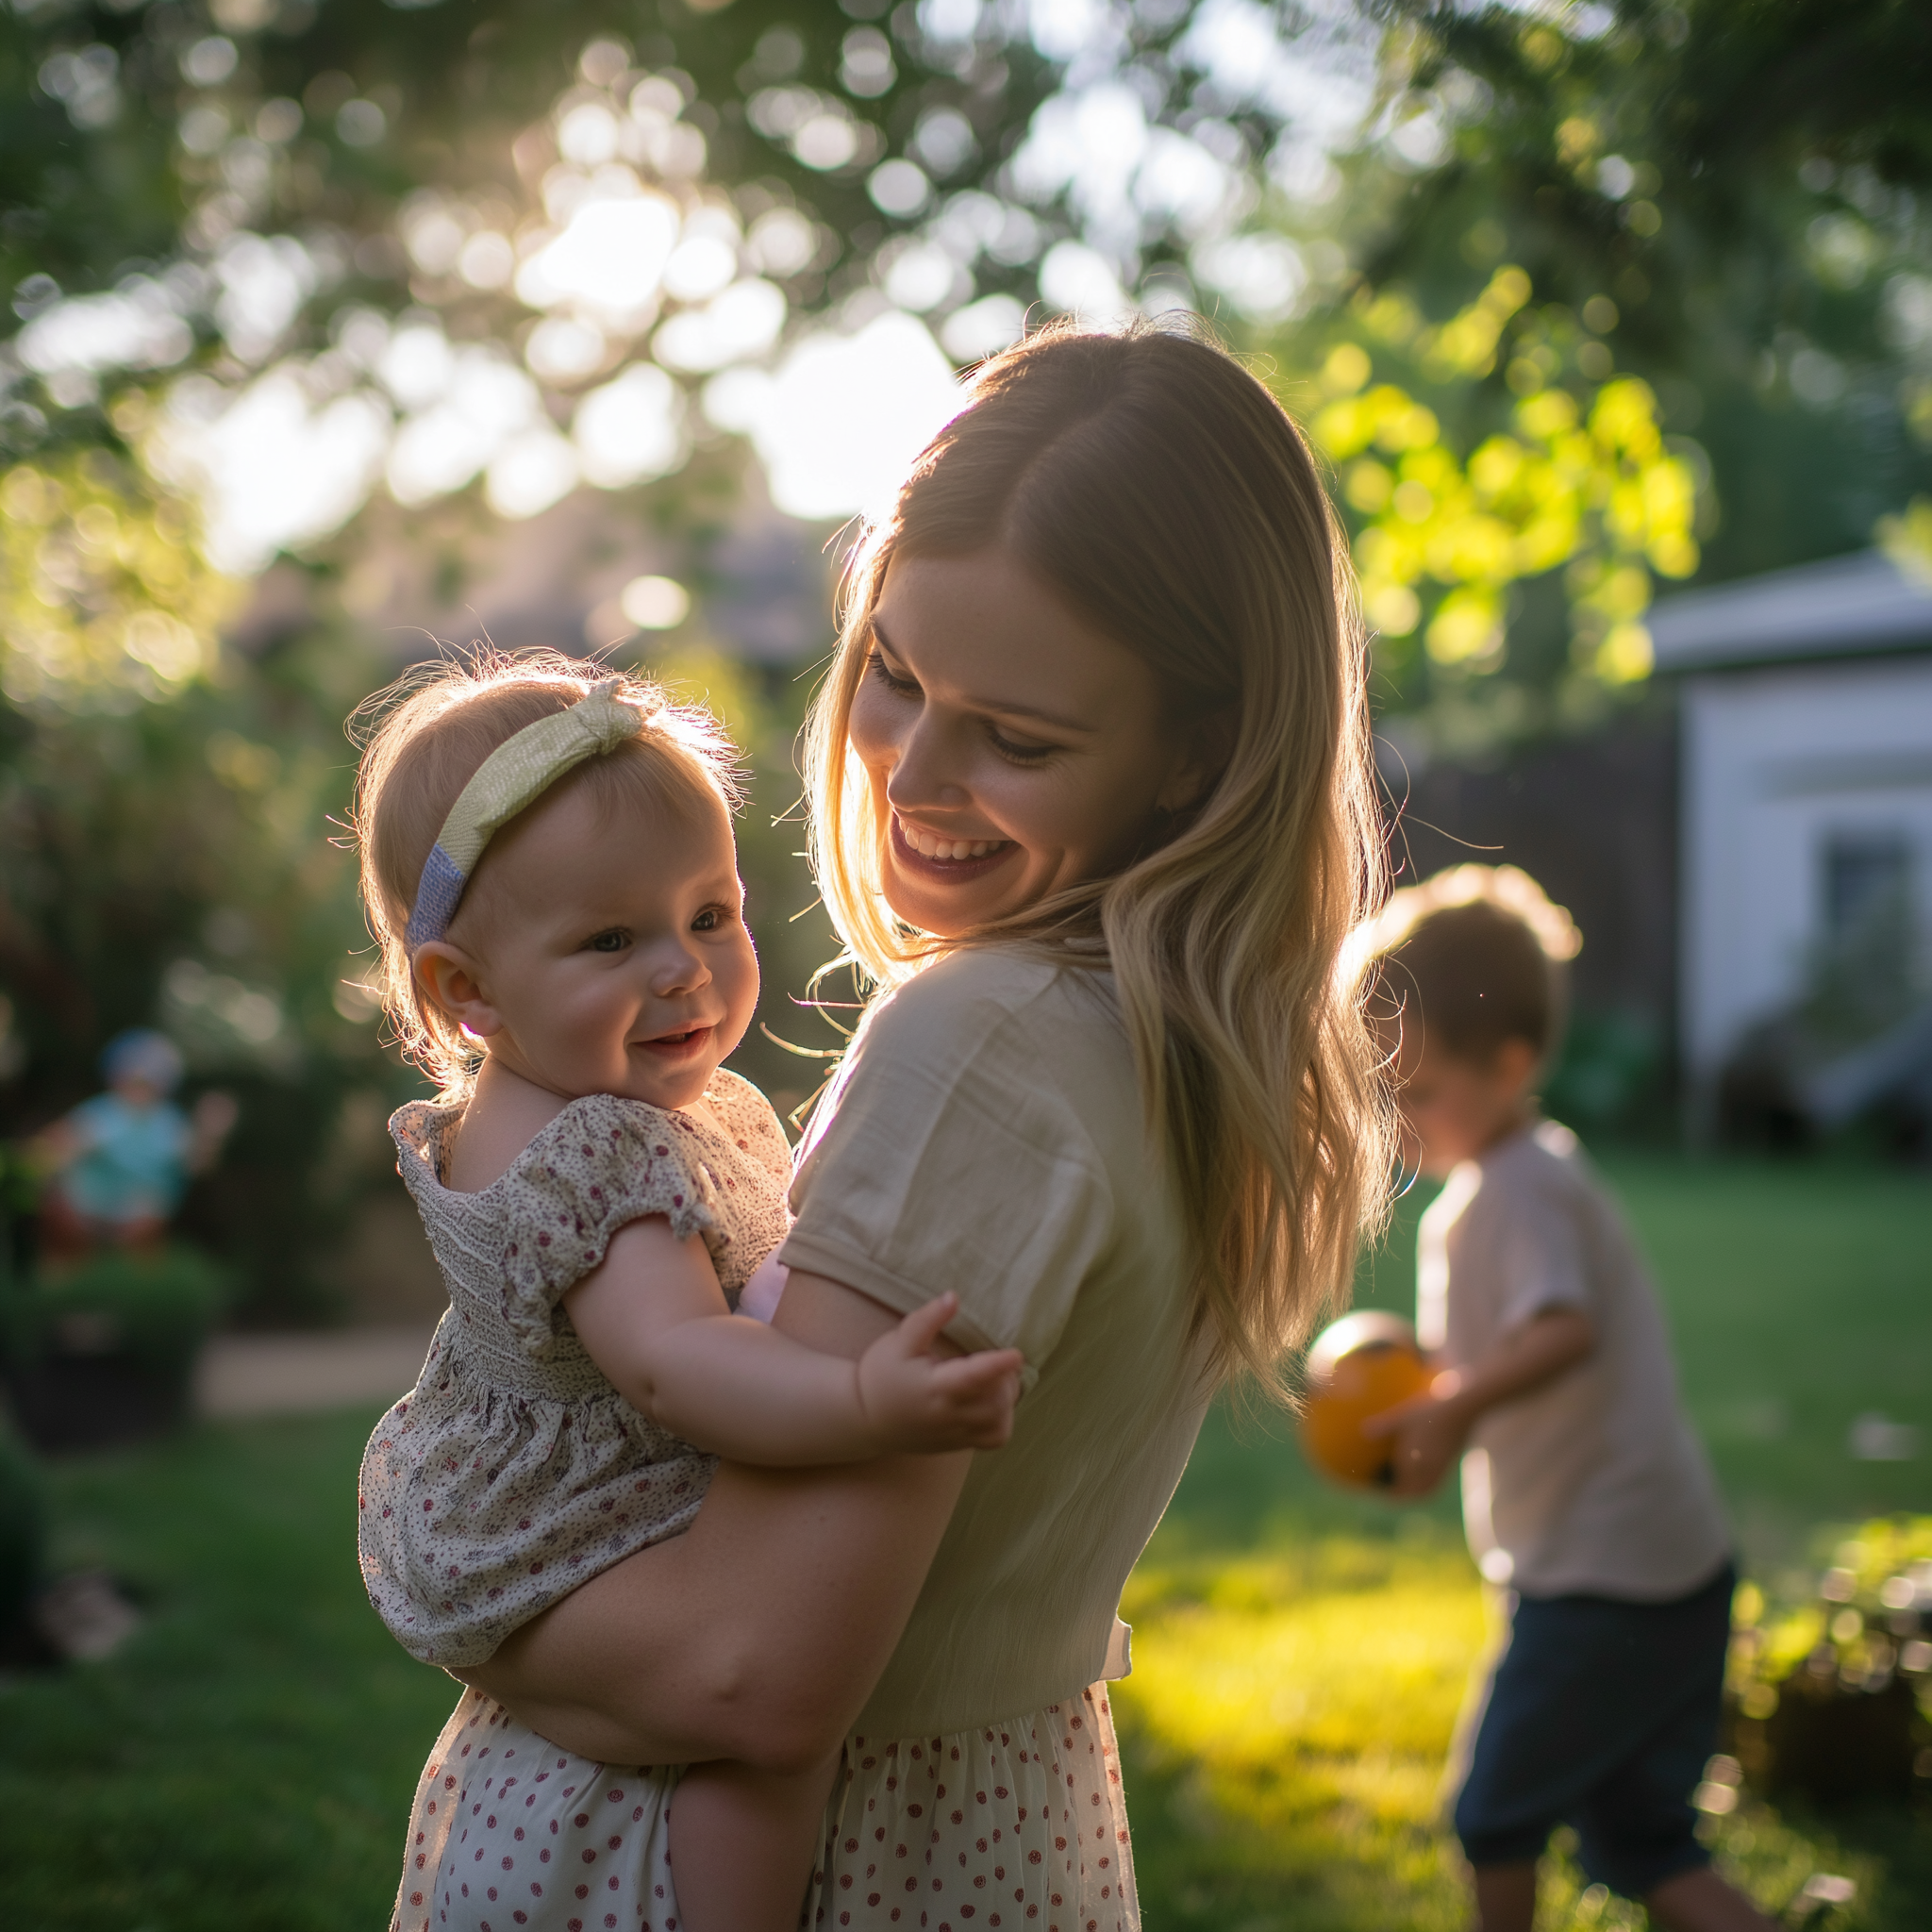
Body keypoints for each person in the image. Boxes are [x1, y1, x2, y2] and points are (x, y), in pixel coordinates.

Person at [416, 317, 1392, 1932]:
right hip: (998, 1824)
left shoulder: (983, 1038)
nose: (912, 769)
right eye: (892, 672)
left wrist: (435, 1573)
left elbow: (749, 1678)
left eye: (1017, 737)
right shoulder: (1164, 1041)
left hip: (792, 1852)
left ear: (1192, 757)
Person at [351, 660, 1026, 1932]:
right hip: (581, 1517)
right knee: (766, 1748)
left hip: (502, 1495)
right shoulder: (594, 1149)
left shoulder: (546, 1098)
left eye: (713, 911)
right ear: (466, 991)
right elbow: (681, 1368)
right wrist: (864, 1397)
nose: (685, 970)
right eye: (612, 939)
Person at [1361, 865, 1777, 1932]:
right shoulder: (1504, 1183)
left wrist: (1447, 1405)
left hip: (1600, 1584)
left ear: (1506, 1065)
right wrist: (1421, 1412)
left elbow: (1560, 1331)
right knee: (1640, 1841)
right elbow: (1484, 1372)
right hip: (1659, 1568)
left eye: (1417, 1090)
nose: (1396, 1115)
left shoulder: (1517, 1188)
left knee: (1491, 1814)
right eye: (1383, 1089)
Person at [33, 1028, 236, 1259]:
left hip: (139, 1212)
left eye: (149, 1081)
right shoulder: (102, 1112)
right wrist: (56, 1157)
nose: (139, 1089)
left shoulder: (169, 1123)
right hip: (86, 1204)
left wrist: (209, 1135)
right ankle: (62, 1269)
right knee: (60, 1213)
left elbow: (196, 1163)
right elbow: (62, 1142)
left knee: (145, 1227)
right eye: (133, 1079)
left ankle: (134, 1275)